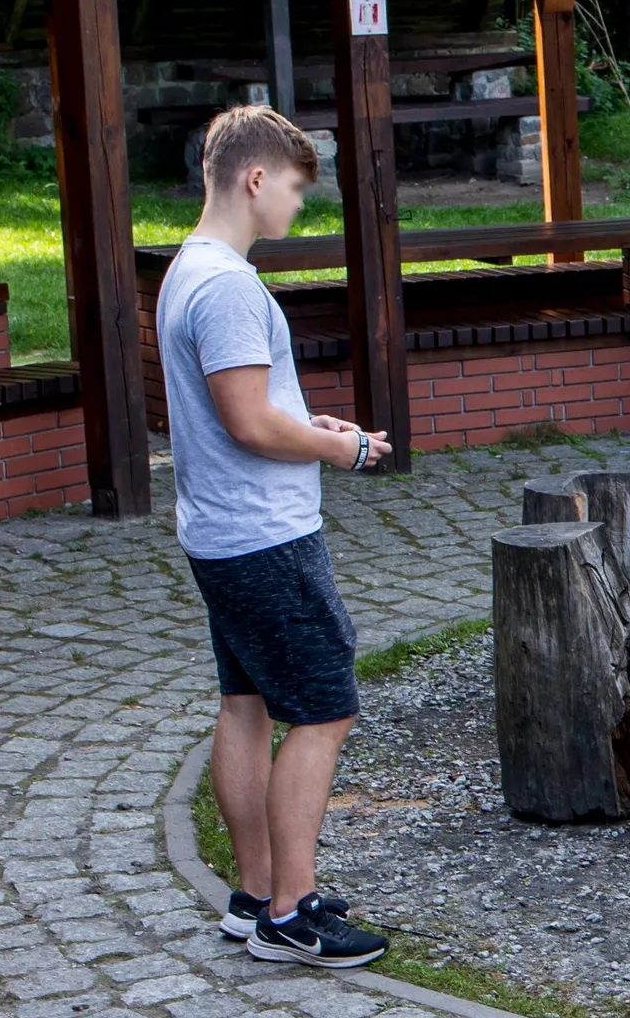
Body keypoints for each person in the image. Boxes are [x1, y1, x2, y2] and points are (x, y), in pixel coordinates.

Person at [160, 105, 391, 967]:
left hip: (221, 532)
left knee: (246, 704)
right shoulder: (226, 286)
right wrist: (345, 447)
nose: (297, 207)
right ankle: (292, 914)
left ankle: (254, 894)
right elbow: (252, 425)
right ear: (256, 179)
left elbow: (249, 411)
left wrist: (305, 419)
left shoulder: (188, 270)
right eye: (294, 189)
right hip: (265, 538)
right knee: (324, 712)